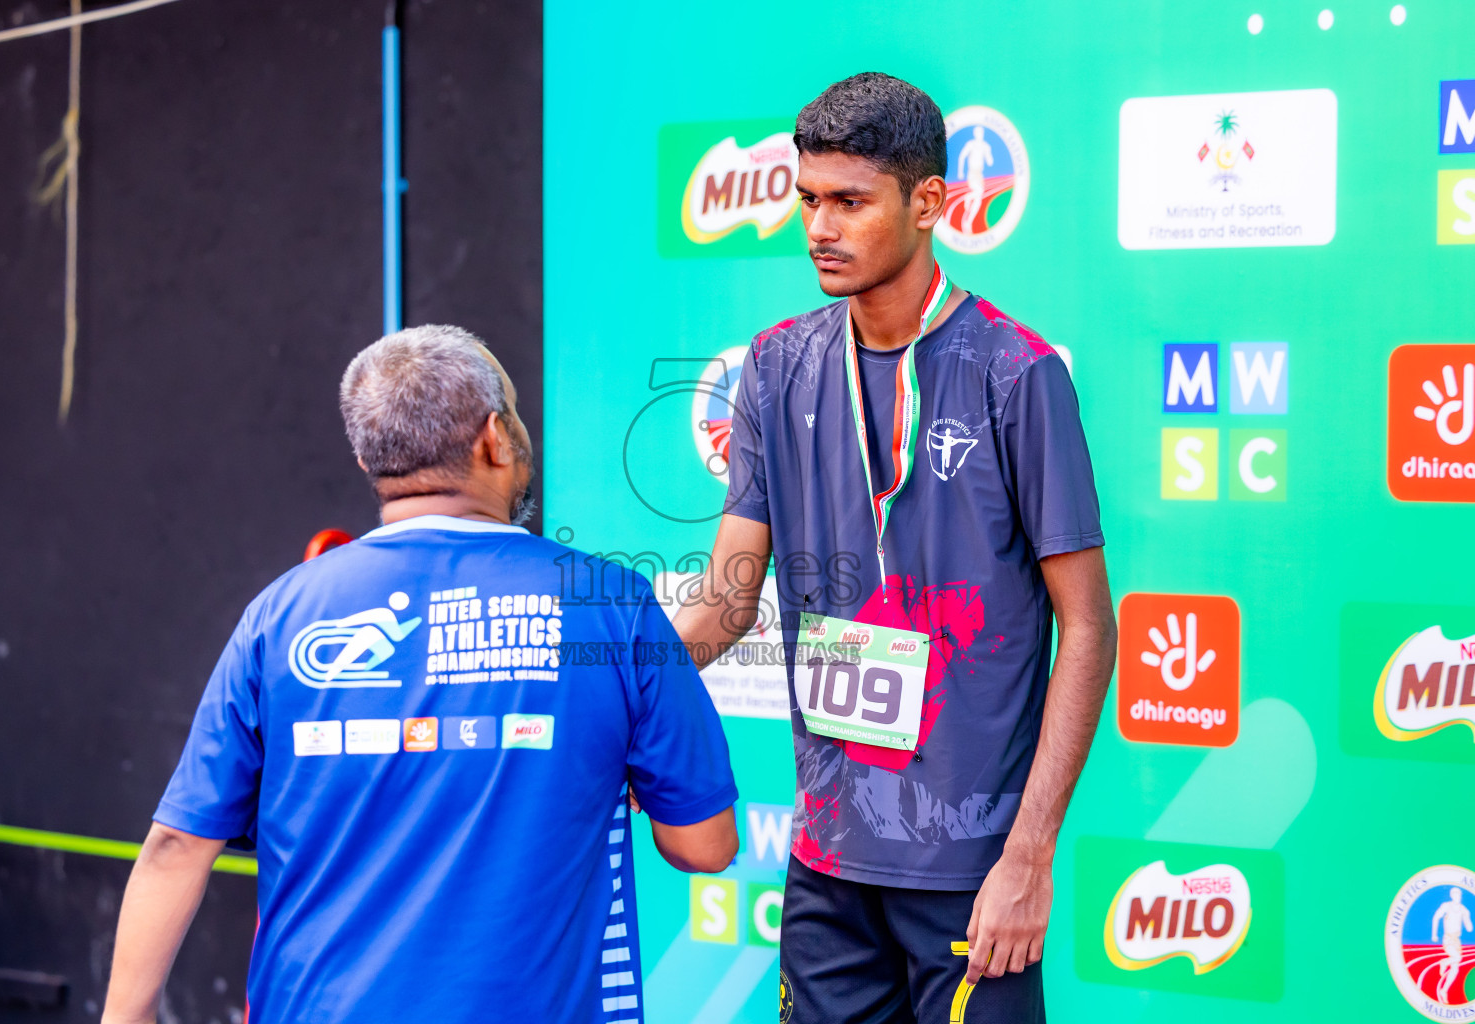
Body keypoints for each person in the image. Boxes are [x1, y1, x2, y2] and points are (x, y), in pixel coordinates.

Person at [101, 325, 739, 1024]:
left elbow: (176, 847)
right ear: (494, 437)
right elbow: (703, 845)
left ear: (367, 455)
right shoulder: (615, 605)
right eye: (516, 412)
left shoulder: (278, 615)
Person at [672, 73, 1116, 1023]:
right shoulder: (775, 363)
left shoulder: (1018, 372)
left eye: (849, 202)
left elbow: (1087, 626)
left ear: (929, 203)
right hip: (828, 862)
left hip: (972, 867)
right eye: (808, 201)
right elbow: (727, 599)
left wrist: (1030, 855)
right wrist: (603, 689)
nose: (819, 228)